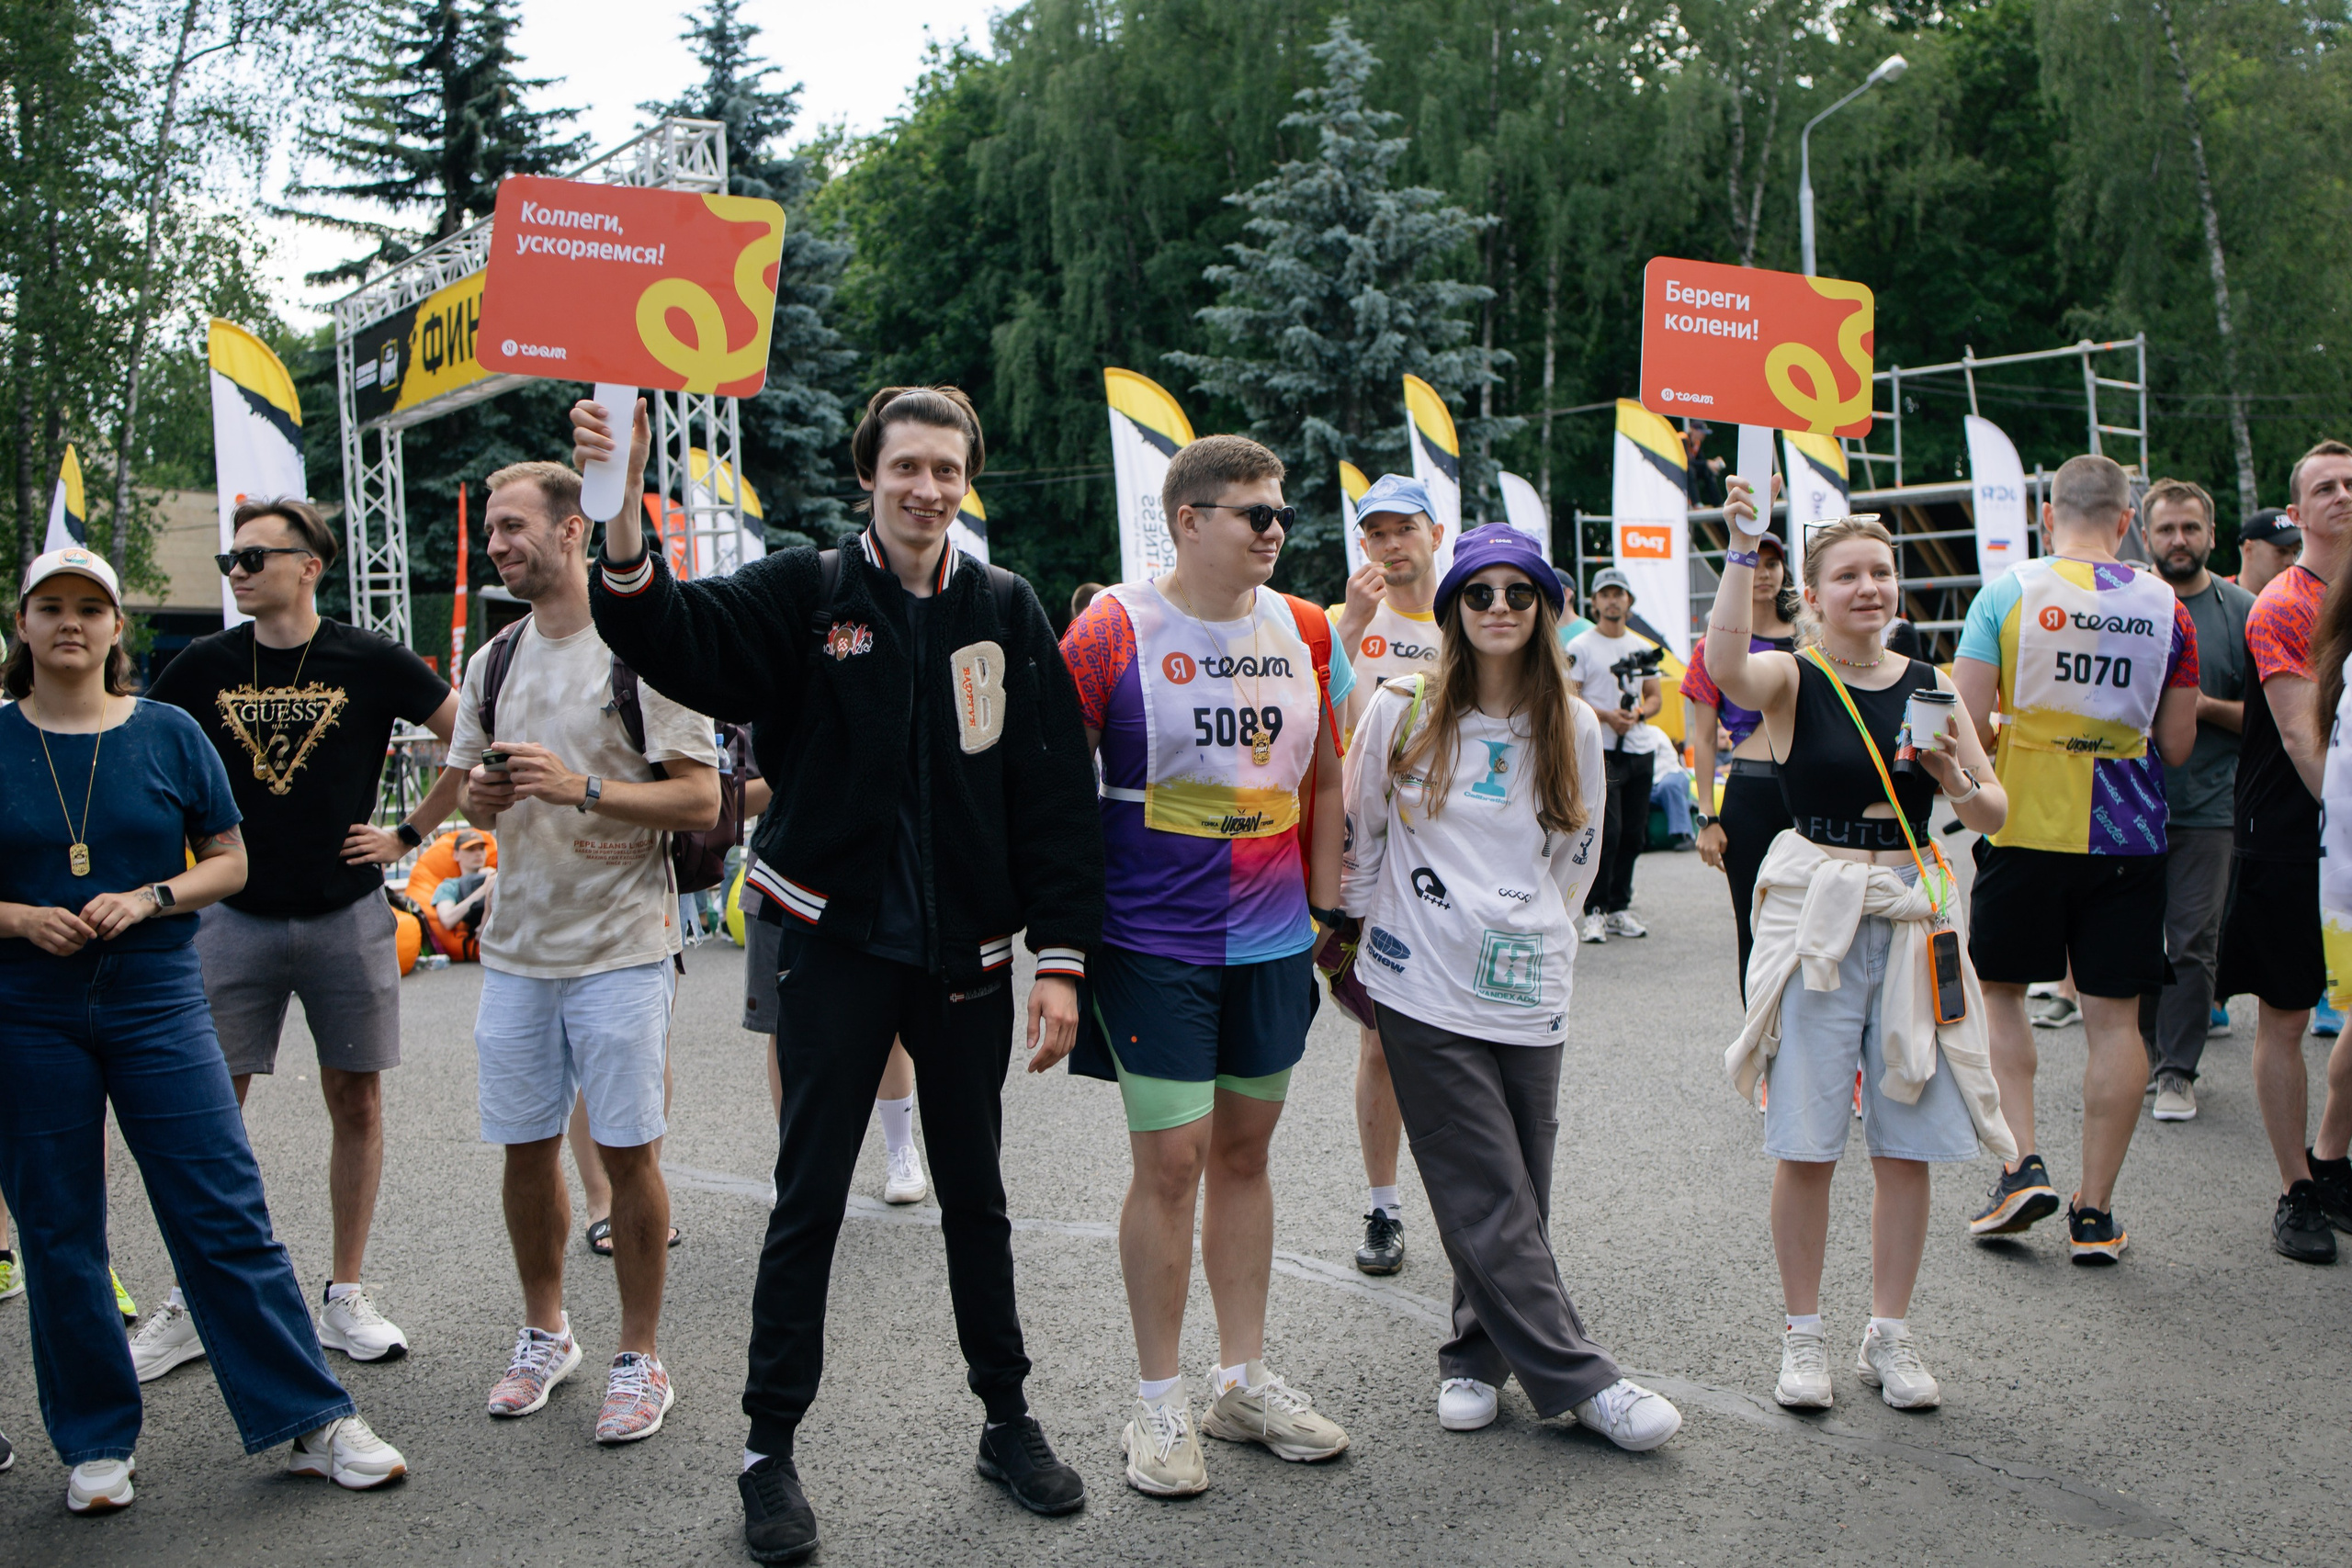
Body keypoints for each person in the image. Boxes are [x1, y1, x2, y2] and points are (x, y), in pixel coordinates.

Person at [582, 384, 1102, 1560]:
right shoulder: (805, 593)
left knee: (978, 1198)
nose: (927, 489)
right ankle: (770, 1454)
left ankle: (1006, 1418)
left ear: (968, 481)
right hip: (831, 944)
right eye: (906, 467)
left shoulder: (1005, 607)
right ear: (868, 473)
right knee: (807, 1202)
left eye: (947, 471)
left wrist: (1060, 961)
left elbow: (1055, 797)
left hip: (967, 957)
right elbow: (662, 631)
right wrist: (618, 507)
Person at [0, 547, 405, 1512]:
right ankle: (96, 1443)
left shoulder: (167, 732)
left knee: (221, 1208)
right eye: (49, 606)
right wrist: (18, 918)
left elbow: (228, 862)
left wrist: (150, 898)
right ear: (21, 626)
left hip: (156, 992)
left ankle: (310, 1419)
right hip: (28, 1003)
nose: (71, 623)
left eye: (90, 608)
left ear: (113, 628)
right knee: (58, 1229)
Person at [1338, 523, 1684, 1450]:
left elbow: (1578, 855)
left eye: (1517, 594)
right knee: (1481, 1178)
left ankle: (1472, 1353)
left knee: (1515, 1185)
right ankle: (1583, 1379)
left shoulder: (1571, 721)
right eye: (1479, 593)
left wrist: (1537, 933)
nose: (1497, 608)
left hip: (1530, 980)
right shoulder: (1401, 709)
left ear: (1545, 611)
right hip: (1419, 980)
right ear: (1453, 608)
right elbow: (1361, 833)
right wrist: (1351, 952)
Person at [1059, 433, 1352, 1499]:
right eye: (1253, 514)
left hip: (1272, 940)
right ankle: (1155, 1403)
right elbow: (1053, 791)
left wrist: (1328, 912)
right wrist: (1056, 948)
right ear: (1188, 520)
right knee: (1171, 1166)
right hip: (1151, 945)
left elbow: (1324, 777)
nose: (1275, 531)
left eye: (1281, 514)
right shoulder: (1111, 628)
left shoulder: (1308, 627)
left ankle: (1241, 1381)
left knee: (1243, 1156)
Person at [137, 497, 460, 1378]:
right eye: (230, 561)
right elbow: (133, 753)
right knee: (208, 1116)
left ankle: (344, 1292)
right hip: (230, 919)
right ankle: (196, 1295)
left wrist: (410, 835)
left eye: (252, 558)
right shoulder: (205, 664)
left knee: (355, 1102)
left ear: (309, 564)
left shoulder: (369, 656)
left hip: (348, 915)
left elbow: (468, 736)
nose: (236, 572)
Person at [1707, 502, 2015, 1412]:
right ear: (1812, 595)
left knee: (1906, 1142)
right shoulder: (1793, 679)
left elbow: (1993, 810)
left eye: (1879, 572)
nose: (1867, 588)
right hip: (1821, 920)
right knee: (1804, 1142)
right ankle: (1802, 1339)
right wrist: (1734, 550)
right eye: (1847, 576)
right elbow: (1724, 665)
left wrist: (1957, 778)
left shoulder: (1930, 681)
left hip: (1911, 915)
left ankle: (1890, 1335)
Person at [446, 458, 724, 1444]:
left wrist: (583, 788)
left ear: (573, 531)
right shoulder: (496, 658)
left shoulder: (644, 650)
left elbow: (701, 798)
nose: (498, 546)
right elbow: (471, 785)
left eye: (514, 527)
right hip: (516, 943)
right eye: (491, 533)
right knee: (524, 1149)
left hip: (619, 943)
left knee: (628, 1152)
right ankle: (544, 1333)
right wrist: (485, 796)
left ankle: (640, 1354)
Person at [1952, 455, 2200, 1265]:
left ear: (2046, 509)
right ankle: (2095, 1213)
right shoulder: (2170, 606)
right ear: (2128, 519)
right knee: (2114, 1019)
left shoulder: (2007, 592)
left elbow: (1966, 724)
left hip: (2023, 823)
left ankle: (2019, 1165)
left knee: (2001, 994)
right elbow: (2177, 742)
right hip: (2128, 833)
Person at [2215, 440, 2352, 1262]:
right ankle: (2295, 1186)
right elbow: (2308, 742)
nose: (2344, 495)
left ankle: (2331, 1155)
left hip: (2348, 829)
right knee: (2288, 1012)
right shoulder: (2283, 604)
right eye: (2326, 487)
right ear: (2296, 516)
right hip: (2291, 836)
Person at [1327, 473, 1446, 1277]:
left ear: (1437, 533)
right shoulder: (1347, 624)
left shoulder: (1477, 611)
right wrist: (1348, 628)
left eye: (1405, 528)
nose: (1390, 544)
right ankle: (1383, 1207)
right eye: (1376, 533)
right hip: (1378, 863)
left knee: (1480, 1039)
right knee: (1381, 1043)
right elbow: (1310, 727)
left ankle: (1492, 1206)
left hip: (1462, 860)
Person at [2134, 479, 2255, 1122]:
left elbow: (2269, 720)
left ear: (2210, 533)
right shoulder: (2123, 604)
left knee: (2191, 940)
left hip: (2210, 807)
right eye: (2166, 530)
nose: (2178, 540)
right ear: (2146, 535)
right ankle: (2148, 1055)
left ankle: (2178, 1069)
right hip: (2124, 804)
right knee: (2134, 940)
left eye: (2190, 528)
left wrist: (2200, 705)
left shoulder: (2244, 611)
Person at [1683, 531, 1801, 991]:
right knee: (1754, 924)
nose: (1764, 574)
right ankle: (1762, 1045)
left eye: (1772, 563)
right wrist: (1706, 817)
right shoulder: (1714, 647)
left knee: (1825, 920)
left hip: (1813, 791)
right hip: (1751, 793)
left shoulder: (1815, 640)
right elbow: (1705, 738)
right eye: (1753, 563)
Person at [1562, 569, 1663, 942]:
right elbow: (1570, 696)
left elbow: (1654, 696)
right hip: (1601, 748)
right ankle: (1596, 909)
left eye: (1619, 594)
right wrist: (1606, 716)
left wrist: (1637, 714)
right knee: (1609, 830)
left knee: (1636, 833)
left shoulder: (1640, 645)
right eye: (1605, 594)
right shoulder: (1582, 646)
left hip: (1639, 747)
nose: (1612, 601)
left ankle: (1620, 906)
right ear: (1594, 602)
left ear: (1629, 602)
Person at [2236, 508, 2302, 598]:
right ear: (2249, 550)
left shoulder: (2301, 604)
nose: (2291, 562)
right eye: (2281, 551)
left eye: (2295, 552)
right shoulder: (2218, 598)